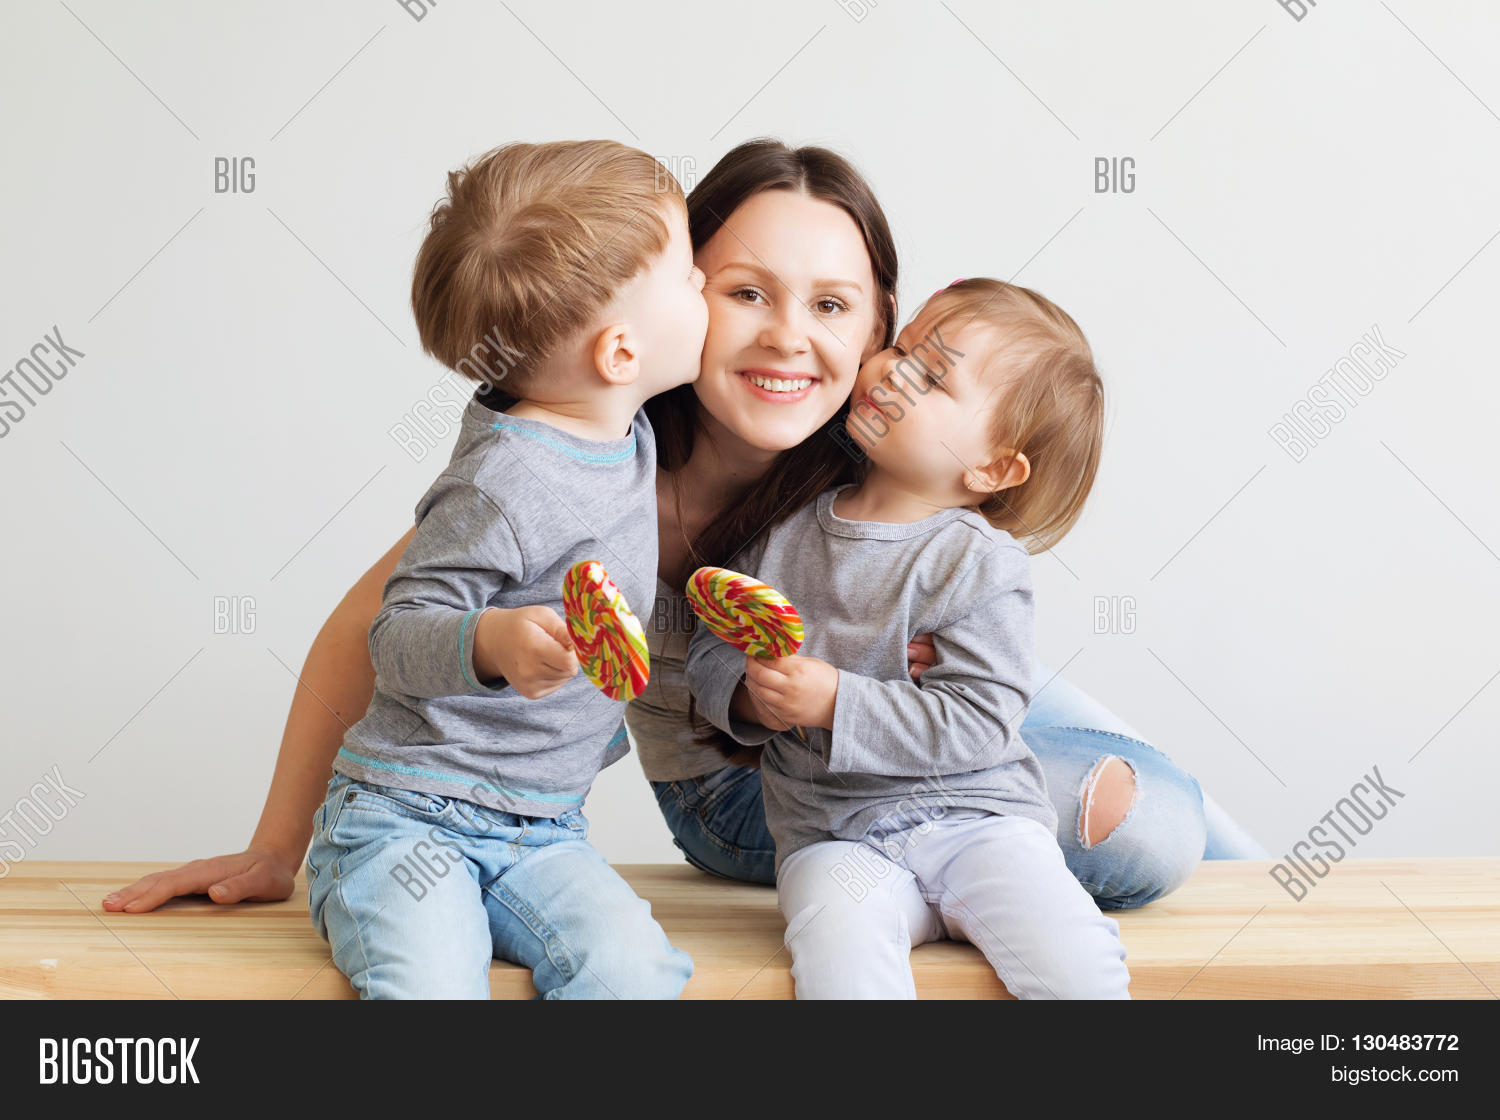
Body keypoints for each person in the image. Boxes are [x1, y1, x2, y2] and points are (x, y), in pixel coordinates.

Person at [104, 139, 1265, 923]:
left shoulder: (868, 449)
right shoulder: (585, 444)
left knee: (1179, 806)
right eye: (743, 290)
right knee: (1133, 829)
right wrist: (277, 846)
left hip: (915, 715)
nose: (785, 339)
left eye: (832, 306)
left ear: (878, 325)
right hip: (762, 777)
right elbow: (378, 628)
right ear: (665, 296)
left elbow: (999, 574)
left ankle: (1278, 926)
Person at [304, 139, 705, 998]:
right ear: (621, 353)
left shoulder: (622, 428)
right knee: (432, 983)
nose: (706, 284)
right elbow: (395, 632)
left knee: (637, 972)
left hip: (545, 830)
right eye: (690, 277)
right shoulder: (505, 479)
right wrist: (489, 642)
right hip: (408, 818)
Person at [685, 278, 1130, 998]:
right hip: (833, 834)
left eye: (931, 375)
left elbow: (980, 722)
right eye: (899, 347)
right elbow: (710, 648)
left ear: (991, 467)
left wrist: (835, 700)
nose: (890, 370)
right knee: (840, 958)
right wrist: (745, 696)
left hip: (975, 819)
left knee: (1074, 959)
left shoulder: (979, 563)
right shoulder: (784, 535)